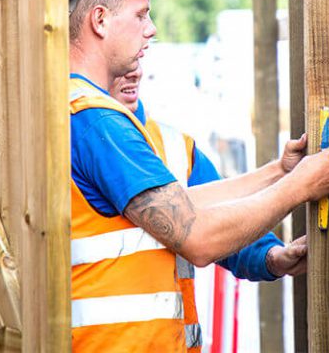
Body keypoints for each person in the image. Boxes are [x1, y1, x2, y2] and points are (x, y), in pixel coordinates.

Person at [67, 0, 329, 352]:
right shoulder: (94, 121)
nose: (152, 30)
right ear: (100, 20)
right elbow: (196, 237)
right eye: (141, 15)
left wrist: (279, 173)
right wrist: (299, 186)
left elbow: (188, 203)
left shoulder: (83, 113)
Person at [111, 64, 308, 351]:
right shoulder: (75, 137)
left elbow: (226, 214)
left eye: (138, 58)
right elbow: (203, 239)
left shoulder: (175, 146)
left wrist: (271, 255)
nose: (134, 72)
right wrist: (295, 184)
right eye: (119, 61)